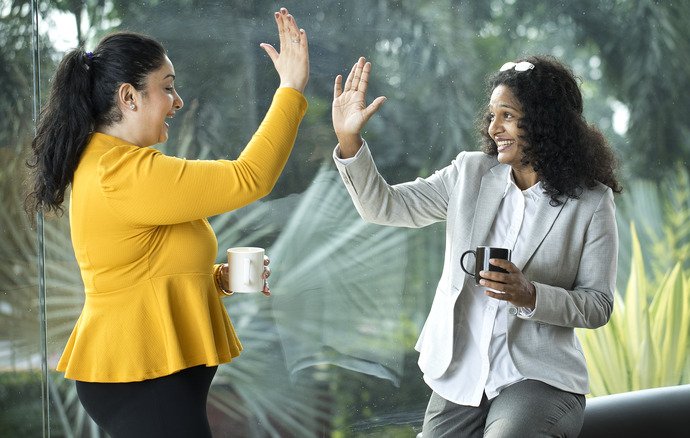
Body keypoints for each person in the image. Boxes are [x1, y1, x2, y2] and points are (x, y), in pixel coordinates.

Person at [24, 8, 308, 438]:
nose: (178, 101)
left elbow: (142, 268)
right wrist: (290, 88)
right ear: (129, 97)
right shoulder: (123, 173)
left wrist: (218, 279)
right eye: (168, 87)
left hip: (147, 375)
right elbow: (250, 177)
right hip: (142, 380)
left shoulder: (115, 165)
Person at [331, 55, 621, 437]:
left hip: (536, 377)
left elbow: (598, 304)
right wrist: (349, 139)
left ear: (545, 121)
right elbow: (384, 206)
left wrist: (530, 295)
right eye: (492, 115)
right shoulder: (470, 173)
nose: (493, 127)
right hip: (462, 373)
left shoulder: (591, 202)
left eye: (507, 116)